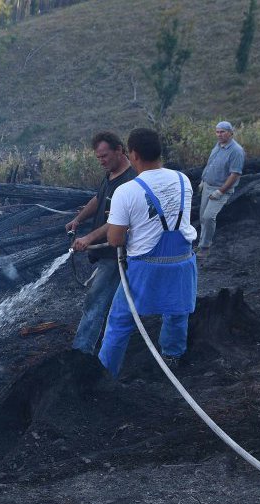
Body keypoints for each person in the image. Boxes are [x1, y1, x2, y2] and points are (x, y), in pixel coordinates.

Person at [98, 128, 197, 377]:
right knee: (177, 312)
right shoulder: (183, 180)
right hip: (183, 262)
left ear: (133, 154)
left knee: (120, 319)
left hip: (146, 267)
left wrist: (124, 223)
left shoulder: (126, 191)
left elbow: (115, 238)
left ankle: (105, 373)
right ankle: (173, 358)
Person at [67, 131, 137, 354]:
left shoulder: (131, 180)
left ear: (119, 150)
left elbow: (119, 221)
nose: (102, 161)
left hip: (118, 253)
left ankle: (81, 351)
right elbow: (99, 199)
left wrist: (88, 238)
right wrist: (78, 219)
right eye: (98, 158)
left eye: (104, 156)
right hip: (107, 253)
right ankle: (102, 340)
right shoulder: (111, 173)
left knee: (95, 300)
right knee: (109, 299)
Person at [197, 121, 245, 258]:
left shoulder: (236, 151)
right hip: (207, 186)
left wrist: (221, 191)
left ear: (231, 133)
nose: (219, 134)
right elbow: (210, 164)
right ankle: (201, 243)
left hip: (220, 189)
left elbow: (235, 174)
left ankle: (205, 248)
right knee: (202, 217)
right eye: (217, 132)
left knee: (208, 217)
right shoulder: (218, 146)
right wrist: (203, 180)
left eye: (222, 132)